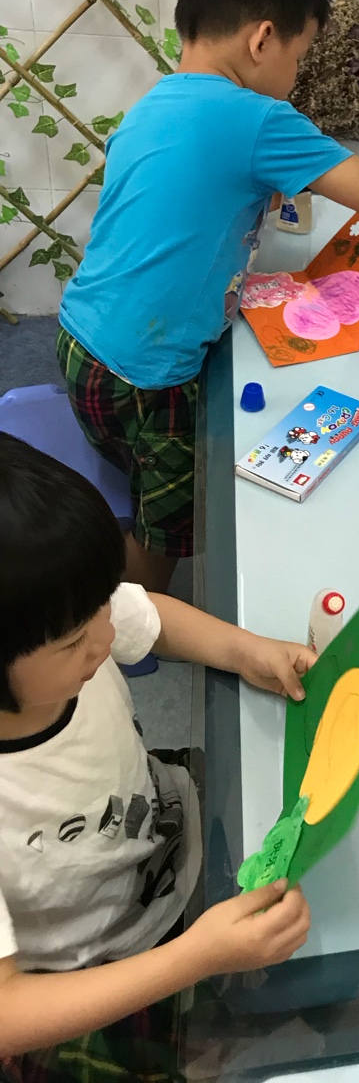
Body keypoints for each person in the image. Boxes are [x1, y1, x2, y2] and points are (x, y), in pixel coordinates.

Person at [57, 0, 359, 593]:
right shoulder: (257, 118)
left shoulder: (155, 101)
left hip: (81, 341)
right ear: (262, 39)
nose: (296, 76)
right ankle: (122, 618)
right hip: (149, 379)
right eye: (299, 57)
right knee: (167, 531)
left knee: (140, 463)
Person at [0, 433, 314, 1072]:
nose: (106, 636)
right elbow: (9, 1013)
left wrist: (246, 651)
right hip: (91, 974)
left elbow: (150, 615)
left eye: (101, 608)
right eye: (74, 643)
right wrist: (196, 958)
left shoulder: (57, 612)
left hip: (166, 836)